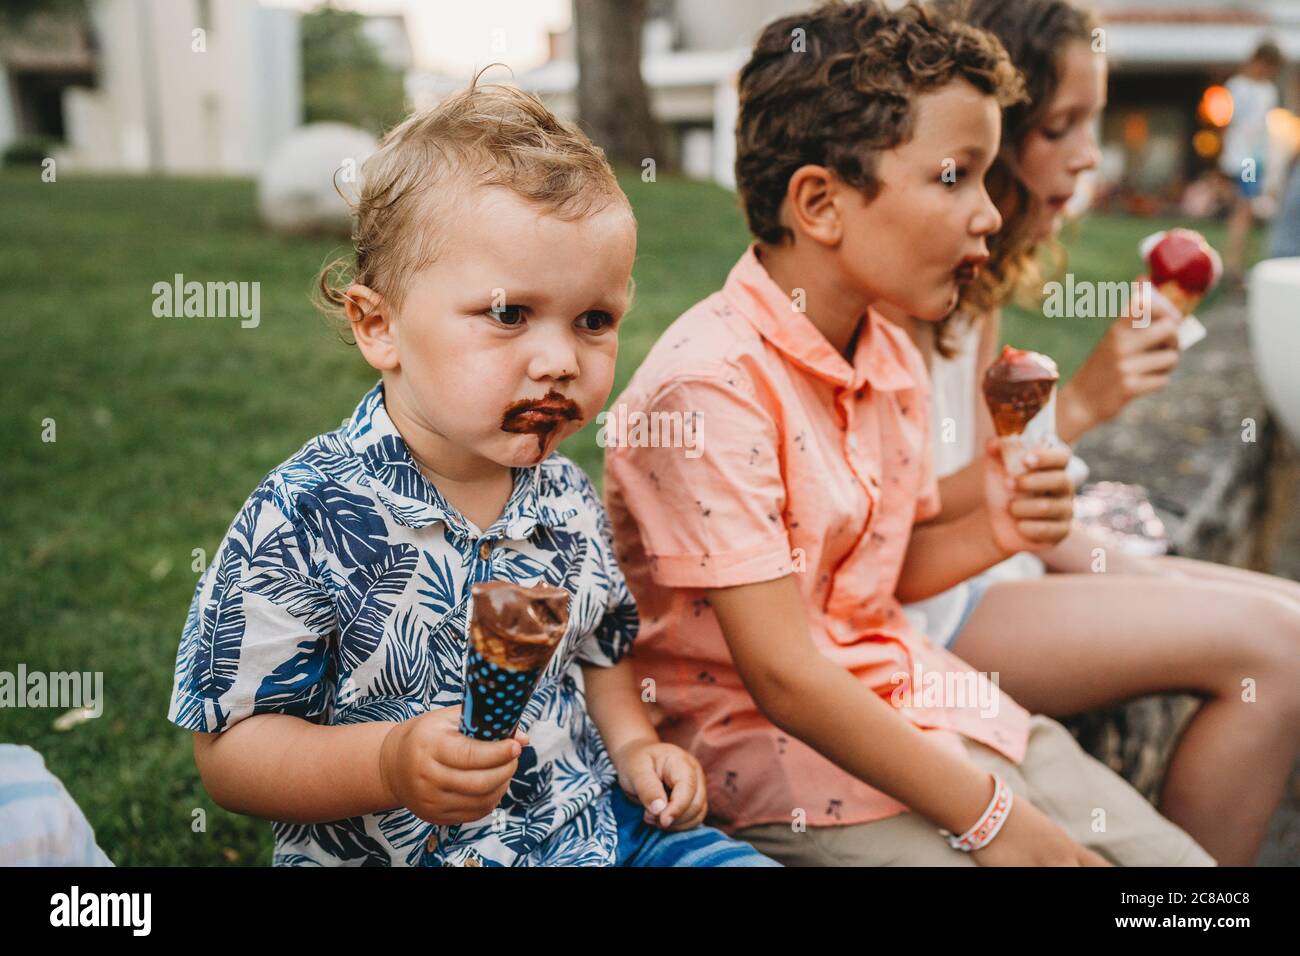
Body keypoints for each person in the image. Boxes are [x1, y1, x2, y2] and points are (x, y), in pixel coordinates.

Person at [604, 0, 1213, 866]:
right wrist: (997, 819)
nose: (991, 215)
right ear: (820, 201)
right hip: (777, 767)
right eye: (954, 175)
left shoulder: (885, 350)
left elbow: (883, 575)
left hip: (928, 703)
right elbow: (784, 678)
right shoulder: (709, 389)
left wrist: (999, 522)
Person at [165, 78, 777, 868]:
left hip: (588, 833)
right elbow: (230, 750)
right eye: (509, 315)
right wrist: (387, 763)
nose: (559, 361)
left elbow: (599, 653)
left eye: (594, 320)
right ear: (378, 324)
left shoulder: (565, 496)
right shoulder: (303, 516)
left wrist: (632, 748)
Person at [879, 0, 1300, 866]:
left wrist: (1134, 574)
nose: (1086, 155)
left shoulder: (978, 290)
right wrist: (1084, 405)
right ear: (998, 134)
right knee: (1279, 650)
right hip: (931, 613)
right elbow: (903, 526)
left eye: (1093, 123)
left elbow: (1009, 486)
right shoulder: (904, 294)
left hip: (1003, 569)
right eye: (1061, 126)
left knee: (1289, 610)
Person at [1222, 43, 1284, 283]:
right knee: (1244, 210)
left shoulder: (1268, 90)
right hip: (1244, 159)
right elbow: (1233, 124)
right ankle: (1233, 265)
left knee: (1246, 211)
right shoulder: (1237, 87)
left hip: (1258, 159)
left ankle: (1238, 263)